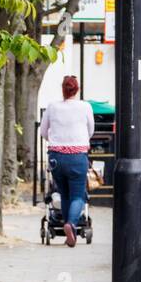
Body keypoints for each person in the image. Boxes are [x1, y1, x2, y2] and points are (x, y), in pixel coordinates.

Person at [39, 75, 95, 247]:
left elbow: (43, 131)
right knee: (78, 195)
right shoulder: (85, 106)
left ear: (63, 89)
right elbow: (90, 130)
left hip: (57, 157)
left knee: (64, 194)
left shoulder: (52, 107)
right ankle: (70, 223)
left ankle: (66, 232)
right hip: (77, 157)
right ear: (76, 90)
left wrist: (57, 141)